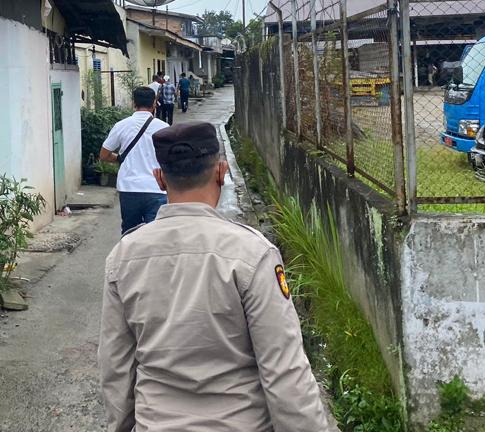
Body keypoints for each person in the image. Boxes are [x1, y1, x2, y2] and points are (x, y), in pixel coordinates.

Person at [98, 122, 333, 432]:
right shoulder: (253, 254)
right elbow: (284, 370)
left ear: (159, 179)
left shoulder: (124, 256)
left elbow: (115, 366)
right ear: (221, 172)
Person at [100, 87, 169, 234]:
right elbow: (172, 159)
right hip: (156, 188)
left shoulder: (121, 125)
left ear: (134, 103)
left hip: (129, 188)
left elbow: (104, 154)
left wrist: (119, 158)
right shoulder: (164, 128)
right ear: (154, 103)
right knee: (156, 235)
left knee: (130, 234)